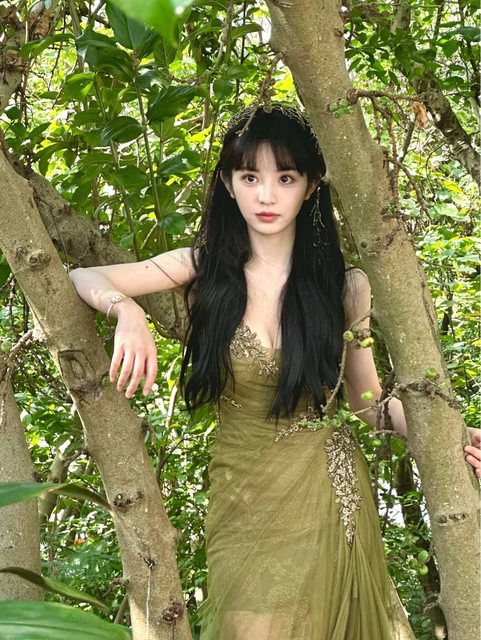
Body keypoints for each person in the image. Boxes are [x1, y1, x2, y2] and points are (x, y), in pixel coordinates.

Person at [69, 105, 480, 639]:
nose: (266, 195)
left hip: (330, 493)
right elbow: (83, 275)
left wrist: (452, 433)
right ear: (228, 184)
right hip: (244, 499)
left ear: (310, 187)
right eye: (250, 177)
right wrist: (126, 311)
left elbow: (369, 405)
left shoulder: (344, 287)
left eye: (285, 178)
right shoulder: (203, 267)